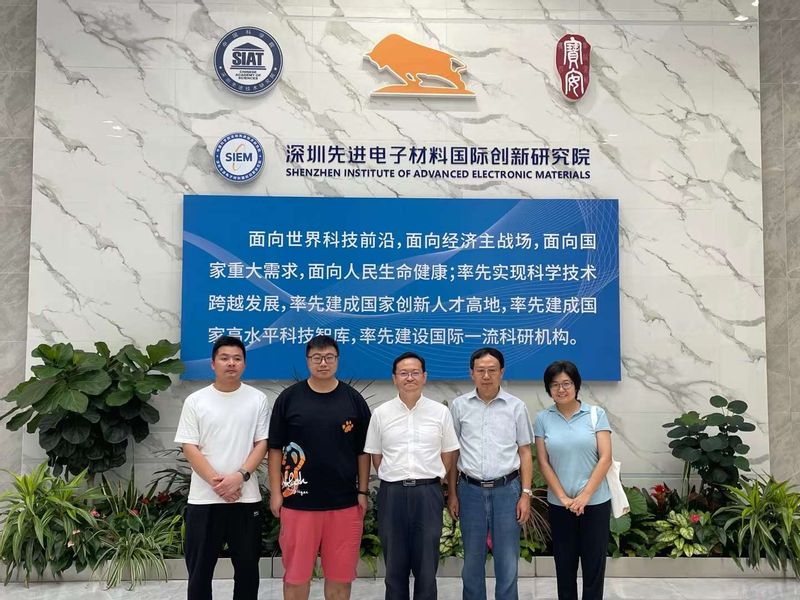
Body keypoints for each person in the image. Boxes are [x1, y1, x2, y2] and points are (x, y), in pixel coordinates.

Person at [267, 334, 372, 600]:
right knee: (296, 578)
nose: (323, 363)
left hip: (344, 504)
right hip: (298, 502)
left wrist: (362, 492)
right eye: (317, 358)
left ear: (337, 360)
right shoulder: (289, 398)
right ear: (307, 360)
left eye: (329, 357)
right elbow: (275, 448)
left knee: (340, 579)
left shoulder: (353, 400)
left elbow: (363, 451)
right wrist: (276, 493)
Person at [175, 335, 270, 600]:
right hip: (204, 500)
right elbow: (189, 446)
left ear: (244, 364)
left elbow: (262, 443)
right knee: (200, 571)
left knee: (248, 570)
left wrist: (239, 477)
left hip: (245, 498)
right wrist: (218, 483)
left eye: (237, 358)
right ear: (213, 363)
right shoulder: (196, 400)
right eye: (224, 358)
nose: (231, 363)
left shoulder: (257, 399)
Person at [364, 351, 460, 600]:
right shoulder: (381, 413)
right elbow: (376, 456)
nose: (410, 378)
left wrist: (436, 478)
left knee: (427, 566)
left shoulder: (440, 413)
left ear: (424, 377)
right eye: (404, 373)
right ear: (394, 378)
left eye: (415, 373)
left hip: (428, 493)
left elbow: (448, 453)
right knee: (394, 567)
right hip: (392, 493)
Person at [447, 347, 534, 600]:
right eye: (481, 370)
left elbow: (525, 452)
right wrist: (452, 492)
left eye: (492, 370)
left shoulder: (516, 406)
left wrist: (526, 494)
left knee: (507, 561)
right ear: (471, 373)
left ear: (501, 372)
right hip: (469, 490)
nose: (486, 376)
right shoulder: (459, 406)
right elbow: (453, 453)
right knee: (472, 560)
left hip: (507, 491)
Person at [534, 360, 612, 600]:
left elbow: (605, 458)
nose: (561, 389)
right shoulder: (543, 418)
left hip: (595, 502)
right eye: (555, 384)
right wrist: (564, 498)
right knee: (564, 564)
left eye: (566, 383)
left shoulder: (596, 414)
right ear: (548, 389)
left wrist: (585, 496)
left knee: (594, 565)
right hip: (560, 505)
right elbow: (543, 462)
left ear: (576, 385)